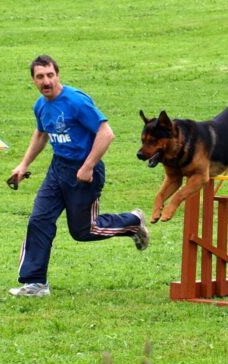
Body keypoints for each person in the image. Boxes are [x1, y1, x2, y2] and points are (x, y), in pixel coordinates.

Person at [8, 55, 148, 297]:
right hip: (58, 169)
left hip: (85, 173)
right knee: (39, 220)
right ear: (33, 80)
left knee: (83, 231)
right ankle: (36, 283)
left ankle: (132, 222)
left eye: (50, 75)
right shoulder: (40, 105)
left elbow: (106, 133)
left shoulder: (75, 102)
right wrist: (23, 164)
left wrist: (88, 165)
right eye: (40, 77)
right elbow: (41, 134)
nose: (46, 81)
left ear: (57, 75)